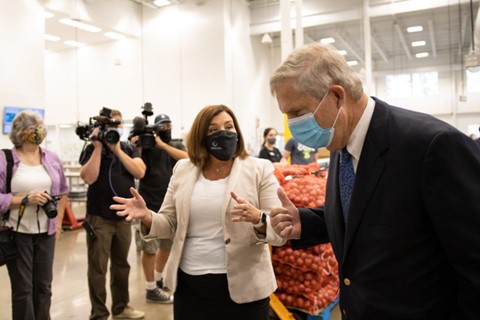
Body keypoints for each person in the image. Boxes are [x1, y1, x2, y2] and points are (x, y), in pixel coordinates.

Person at [269, 43, 480, 319]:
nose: (293, 126)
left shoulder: (430, 146)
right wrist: (307, 222)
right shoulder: (339, 142)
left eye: (298, 113)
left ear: (336, 96)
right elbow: (367, 214)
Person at [111, 104, 286, 320]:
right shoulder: (183, 169)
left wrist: (258, 218)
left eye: (229, 126)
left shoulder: (260, 169)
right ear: (201, 136)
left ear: (237, 132)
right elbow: (169, 222)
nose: (223, 133)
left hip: (244, 290)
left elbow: (279, 231)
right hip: (190, 289)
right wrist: (147, 216)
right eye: (213, 130)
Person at [0, 111, 69, 320]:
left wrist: (57, 224)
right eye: (33, 127)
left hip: (46, 233)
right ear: (21, 132)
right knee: (23, 290)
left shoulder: (52, 158)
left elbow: (63, 192)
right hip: (17, 232)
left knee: (44, 287)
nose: (39, 131)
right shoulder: (5, 159)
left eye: (40, 126)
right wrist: (23, 199)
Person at [79, 109, 146, 320]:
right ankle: (99, 313)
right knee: (97, 268)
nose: (115, 127)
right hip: (99, 218)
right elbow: (88, 178)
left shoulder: (127, 148)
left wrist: (117, 150)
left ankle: (121, 307)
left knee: (122, 265)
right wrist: (99, 148)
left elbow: (140, 171)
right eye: (111, 124)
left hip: (124, 218)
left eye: (118, 123)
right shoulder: (92, 148)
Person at [129, 113, 187, 303]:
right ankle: (150, 288)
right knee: (150, 249)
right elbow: (136, 164)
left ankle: (159, 278)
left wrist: (162, 145)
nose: (166, 128)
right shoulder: (145, 147)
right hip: (148, 204)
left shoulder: (175, 145)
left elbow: (188, 158)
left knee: (167, 246)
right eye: (162, 125)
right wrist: (136, 144)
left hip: (169, 206)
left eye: (169, 125)